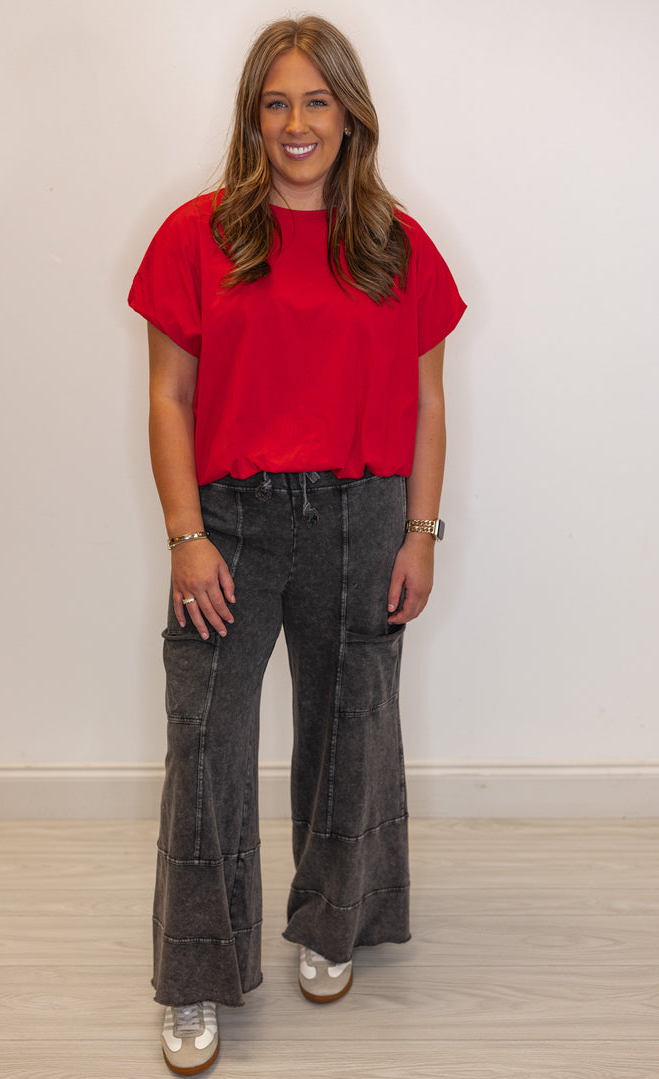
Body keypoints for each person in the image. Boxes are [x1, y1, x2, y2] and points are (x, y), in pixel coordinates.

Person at [128, 14, 466, 1075]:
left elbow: (427, 402)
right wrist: (185, 536)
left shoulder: (396, 244)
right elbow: (168, 397)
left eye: (316, 100)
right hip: (229, 519)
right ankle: (196, 976)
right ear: (252, 116)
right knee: (207, 746)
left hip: (365, 516)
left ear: (350, 113)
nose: (296, 122)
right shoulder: (199, 235)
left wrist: (420, 529)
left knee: (350, 729)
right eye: (276, 102)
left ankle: (333, 917)